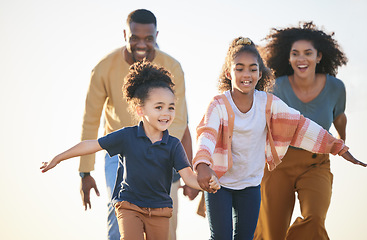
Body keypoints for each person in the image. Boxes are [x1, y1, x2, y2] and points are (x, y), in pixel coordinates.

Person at [192, 37, 366, 240]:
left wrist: (337, 146)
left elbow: (300, 126)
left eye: (252, 69)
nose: (246, 74)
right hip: (220, 184)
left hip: (250, 185)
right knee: (222, 237)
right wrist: (202, 164)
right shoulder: (219, 105)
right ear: (228, 73)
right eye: (239, 68)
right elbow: (207, 133)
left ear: (260, 73)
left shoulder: (268, 104)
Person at [41, 60, 220, 240]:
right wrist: (58, 158)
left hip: (160, 210)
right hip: (129, 206)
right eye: (159, 107)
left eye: (171, 107)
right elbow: (91, 144)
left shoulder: (173, 145)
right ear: (140, 110)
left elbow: (188, 176)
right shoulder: (126, 136)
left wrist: (207, 185)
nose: (166, 113)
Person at [78, 9, 196, 240]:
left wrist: (179, 165)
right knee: (118, 213)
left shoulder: (173, 67)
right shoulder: (103, 68)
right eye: (134, 37)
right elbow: (90, 119)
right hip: (119, 151)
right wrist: (85, 172)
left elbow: (180, 120)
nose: (141, 44)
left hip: (161, 151)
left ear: (156, 35)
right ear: (125, 34)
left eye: (148, 38)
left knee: (163, 222)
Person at [254, 22, 356, 240]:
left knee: (315, 218)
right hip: (278, 165)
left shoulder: (336, 88)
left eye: (308, 53)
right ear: (288, 58)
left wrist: (341, 142)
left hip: (316, 163)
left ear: (319, 57)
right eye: (295, 54)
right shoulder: (276, 87)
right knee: (272, 234)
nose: (302, 59)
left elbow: (339, 116)